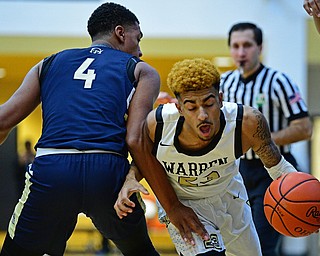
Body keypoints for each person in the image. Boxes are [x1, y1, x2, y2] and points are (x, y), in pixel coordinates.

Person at [0, 2, 208, 255]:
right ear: (120, 33)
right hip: (107, 172)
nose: (140, 50)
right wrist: (172, 206)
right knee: (140, 251)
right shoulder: (141, 70)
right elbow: (135, 140)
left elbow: (3, 121)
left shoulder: (48, 63)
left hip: (52, 169)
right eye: (137, 38)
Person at [113, 58, 308, 256]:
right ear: (179, 108)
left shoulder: (247, 122)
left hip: (230, 200)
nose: (202, 115)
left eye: (209, 103)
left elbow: (280, 170)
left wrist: (310, 206)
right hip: (183, 203)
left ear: (221, 99)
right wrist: (130, 178)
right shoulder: (159, 124)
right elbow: (145, 159)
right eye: (191, 107)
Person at [220, 22, 313, 256]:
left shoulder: (278, 81)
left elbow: (304, 128)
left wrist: (261, 140)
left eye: (247, 45)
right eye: (236, 46)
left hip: (271, 168)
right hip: (235, 170)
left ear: (259, 47)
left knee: (263, 242)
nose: (241, 52)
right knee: (234, 241)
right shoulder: (223, 83)